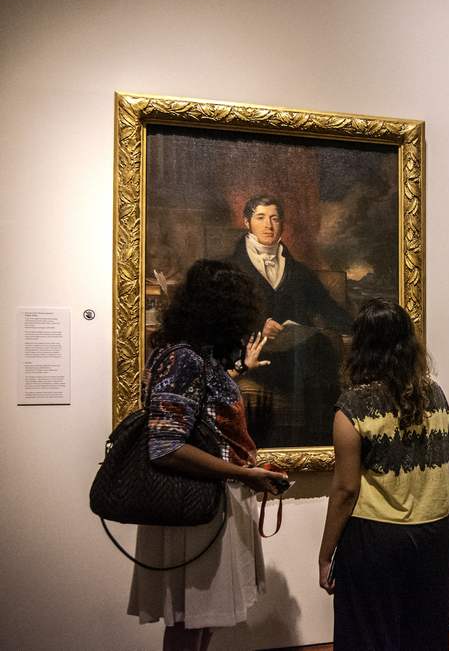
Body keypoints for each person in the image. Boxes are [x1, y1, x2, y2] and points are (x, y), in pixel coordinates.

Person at [127, 259, 288, 651]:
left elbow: (197, 405)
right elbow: (166, 446)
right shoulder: (182, 357)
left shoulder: (194, 356)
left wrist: (236, 372)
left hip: (206, 502)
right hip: (193, 506)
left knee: (202, 621)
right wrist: (245, 474)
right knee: (190, 620)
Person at [318, 298, 449, 650]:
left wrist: (325, 553)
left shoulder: (353, 406)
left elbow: (346, 490)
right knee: (423, 634)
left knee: (369, 637)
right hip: (433, 533)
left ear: (360, 345)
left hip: (376, 537)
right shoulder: (435, 396)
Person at [225, 194, 352, 449]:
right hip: (252, 356)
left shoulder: (299, 271)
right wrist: (259, 328)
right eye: (260, 218)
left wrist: (354, 327)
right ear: (247, 222)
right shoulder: (229, 268)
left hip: (297, 355)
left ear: (282, 224)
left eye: (274, 218)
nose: (268, 225)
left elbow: (328, 309)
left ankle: (321, 450)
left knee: (320, 351)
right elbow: (222, 318)